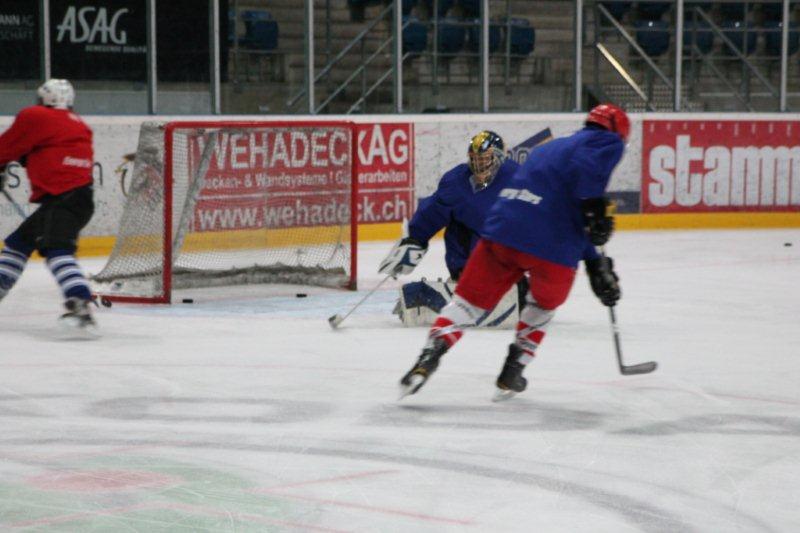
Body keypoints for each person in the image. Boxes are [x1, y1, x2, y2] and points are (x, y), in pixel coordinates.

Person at [398, 104, 630, 400]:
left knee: (467, 304)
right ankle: (513, 369)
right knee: (542, 305)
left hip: (500, 235)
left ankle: (428, 357)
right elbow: (578, 194)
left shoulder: (548, 150)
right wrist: (595, 256)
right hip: (550, 248)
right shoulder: (607, 142)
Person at [0, 79, 97, 334]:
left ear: (43, 99)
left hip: (62, 199)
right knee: (18, 244)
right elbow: (47, 151)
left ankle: (81, 306)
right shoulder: (78, 123)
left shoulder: (36, 116)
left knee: (57, 250)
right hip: (76, 199)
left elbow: (8, 146)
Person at [378, 130, 520, 282]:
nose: (479, 166)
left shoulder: (518, 178)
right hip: (468, 268)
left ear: (499, 158)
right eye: (475, 160)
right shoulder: (457, 182)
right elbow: (431, 213)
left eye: (485, 160)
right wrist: (414, 240)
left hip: (508, 267)